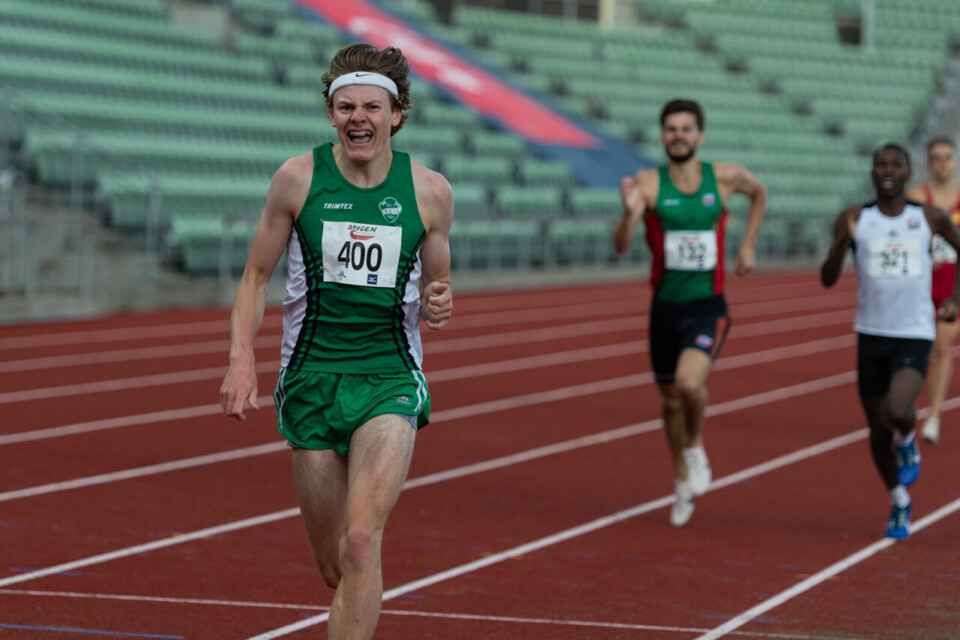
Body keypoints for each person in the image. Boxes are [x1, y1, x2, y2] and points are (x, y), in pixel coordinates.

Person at [219, 43, 454, 639]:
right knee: (335, 566)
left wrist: (438, 301)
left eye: (372, 107)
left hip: (388, 378)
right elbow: (254, 278)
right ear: (330, 113)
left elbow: (438, 284)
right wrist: (241, 357)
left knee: (361, 540)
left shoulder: (430, 192)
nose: (358, 118)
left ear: (396, 114)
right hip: (310, 380)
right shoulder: (297, 180)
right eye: (346, 107)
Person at [614, 99, 767, 528]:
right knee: (668, 400)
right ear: (662, 136)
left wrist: (748, 245)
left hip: (708, 306)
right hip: (665, 308)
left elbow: (760, 193)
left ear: (700, 136)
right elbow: (621, 245)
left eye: (686, 129)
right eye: (671, 129)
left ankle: (695, 446)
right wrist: (629, 213)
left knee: (688, 383)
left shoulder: (725, 177)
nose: (678, 135)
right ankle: (681, 478)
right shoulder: (648, 183)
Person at [821, 143, 960, 539]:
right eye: (881, 164)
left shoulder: (929, 217)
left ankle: (908, 439)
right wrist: (841, 242)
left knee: (899, 409)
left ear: (907, 174)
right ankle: (899, 501)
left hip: (914, 332)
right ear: (872, 173)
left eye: (896, 165)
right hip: (871, 334)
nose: (888, 170)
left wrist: (955, 299)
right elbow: (828, 278)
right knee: (877, 431)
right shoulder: (855, 218)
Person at [906, 137, 960, 445]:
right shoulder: (916, 197)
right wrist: (922, 254)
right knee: (918, 349)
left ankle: (934, 416)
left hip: (953, 287)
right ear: (928, 164)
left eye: (947, 157)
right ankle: (907, 404)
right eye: (936, 158)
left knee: (942, 347)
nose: (942, 163)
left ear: (955, 162)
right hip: (920, 285)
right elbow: (901, 234)